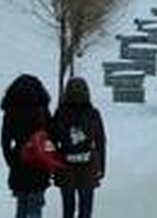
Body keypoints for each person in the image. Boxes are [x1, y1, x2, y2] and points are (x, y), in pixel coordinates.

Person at [50, 77, 106, 218]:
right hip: (88, 166)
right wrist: (101, 167)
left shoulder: (60, 113)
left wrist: (53, 164)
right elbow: (100, 141)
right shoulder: (93, 114)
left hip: (65, 165)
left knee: (68, 208)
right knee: (85, 207)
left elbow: (52, 139)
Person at [1, 74, 54, 218]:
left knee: (21, 203)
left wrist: (11, 161)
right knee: (35, 204)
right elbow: (51, 136)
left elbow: (5, 141)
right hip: (39, 160)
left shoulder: (10, 111)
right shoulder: (42, 110)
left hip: (19, 161)